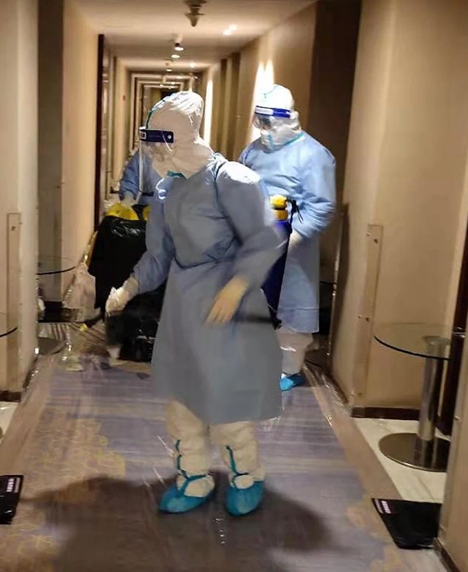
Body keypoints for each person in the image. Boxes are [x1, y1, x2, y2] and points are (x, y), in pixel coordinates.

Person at [106, 91, 285, 517]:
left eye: (161, 142)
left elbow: (265, 239)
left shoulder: (232, 181)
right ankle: (193, 476)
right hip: (185, 309)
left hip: (229, 311)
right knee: (183, 400)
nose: (155, 154)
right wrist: (128, 288)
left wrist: (237, 286)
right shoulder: (168, 190)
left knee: (227, 402)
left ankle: (246, 475)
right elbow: (159, 255)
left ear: (184, 137)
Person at [239, 85, 336, 391]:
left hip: (292, 246)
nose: (264, 129)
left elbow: (321, 206)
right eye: (261, 122)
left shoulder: (313, 155)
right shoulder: (253, 151)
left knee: (290, 306)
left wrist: (293, 237)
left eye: (270, 123)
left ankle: (290, 368)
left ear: (287, 119)